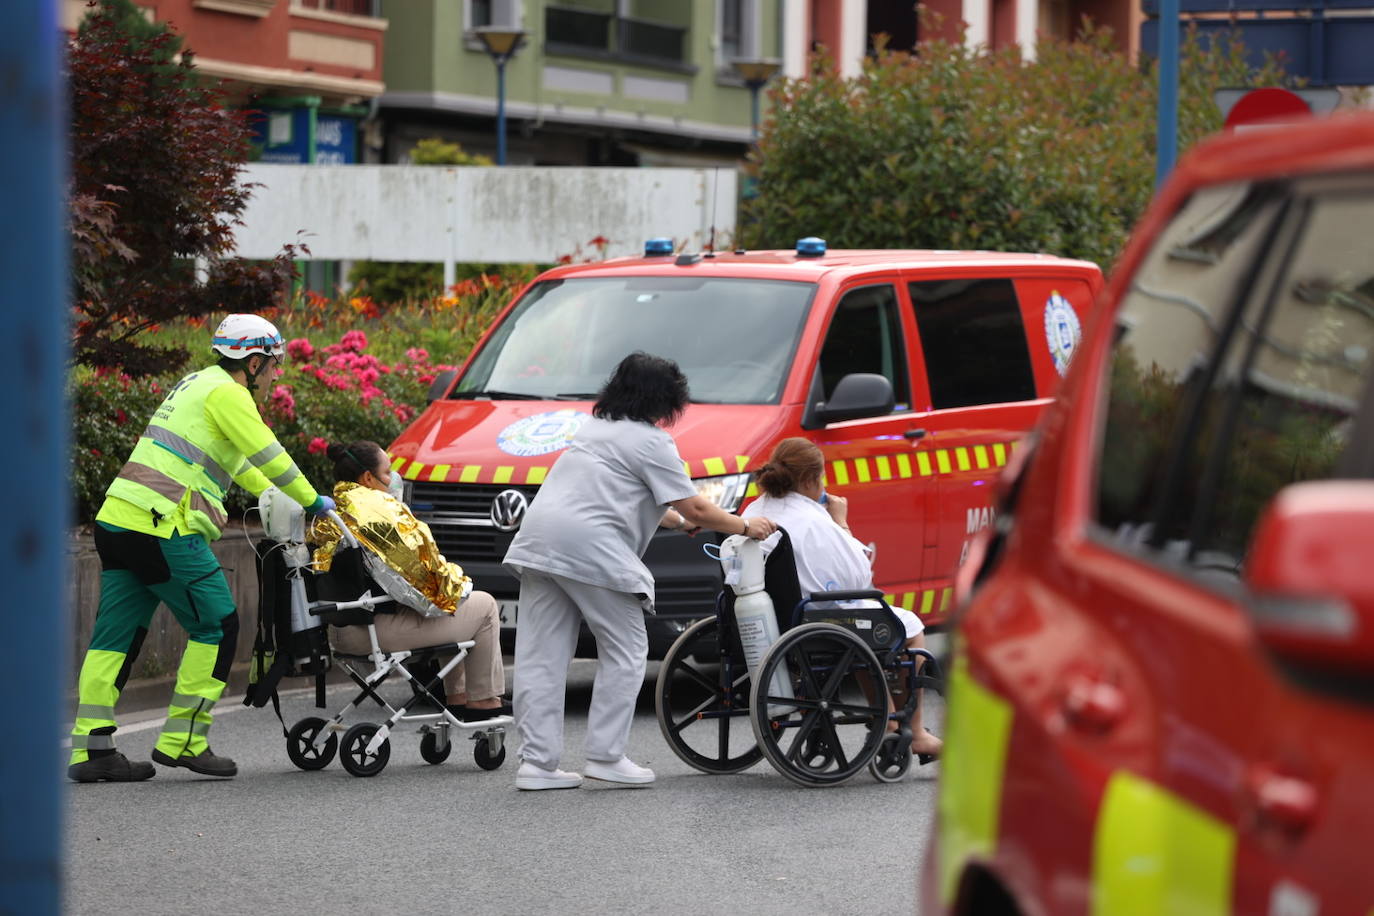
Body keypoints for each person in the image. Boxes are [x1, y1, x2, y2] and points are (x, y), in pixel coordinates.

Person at [69, 314, 337, 782]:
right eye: (273, 363)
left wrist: (271, 495)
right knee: (217, 625)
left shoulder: (198, 384)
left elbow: (248, 469)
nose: (278, 372)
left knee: (116, 639)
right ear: (252, 362)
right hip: (163, 526)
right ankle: (185, 740)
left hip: (119, 522)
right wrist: (314, 502)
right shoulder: (230, 394)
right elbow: (271, 455)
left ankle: (92, 750)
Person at [503, 352, 778, 791]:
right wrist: (745, 525)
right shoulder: (651, 441)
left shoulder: (594, 428)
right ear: (663, 399)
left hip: (540, 542)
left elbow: (633, 496)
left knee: (540, 656)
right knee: (628, 646)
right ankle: (606, 756)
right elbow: (693, 503)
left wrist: (679, 522)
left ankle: (536, 765)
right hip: (588, 548)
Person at [741, 437, 943, 760]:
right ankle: (915, 731)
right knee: (906, 626)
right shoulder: (815, 521)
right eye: (821, 478)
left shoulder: (754, 510)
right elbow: (860, 577)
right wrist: (841, 522)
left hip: (771, 621)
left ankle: (890, 726)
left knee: (863, 629)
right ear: (810, 480)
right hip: (814, 623)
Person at [309, 440, 507, 720]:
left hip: (340, 630)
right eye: (387, 472)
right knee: (480, 604)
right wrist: (459, 584)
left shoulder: (331, 511)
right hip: (375, 632)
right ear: (368, 477)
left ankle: (459, 699)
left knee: (457, 604)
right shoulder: (378, 510)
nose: (392, 480)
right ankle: (483, 701)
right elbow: (425, 577)